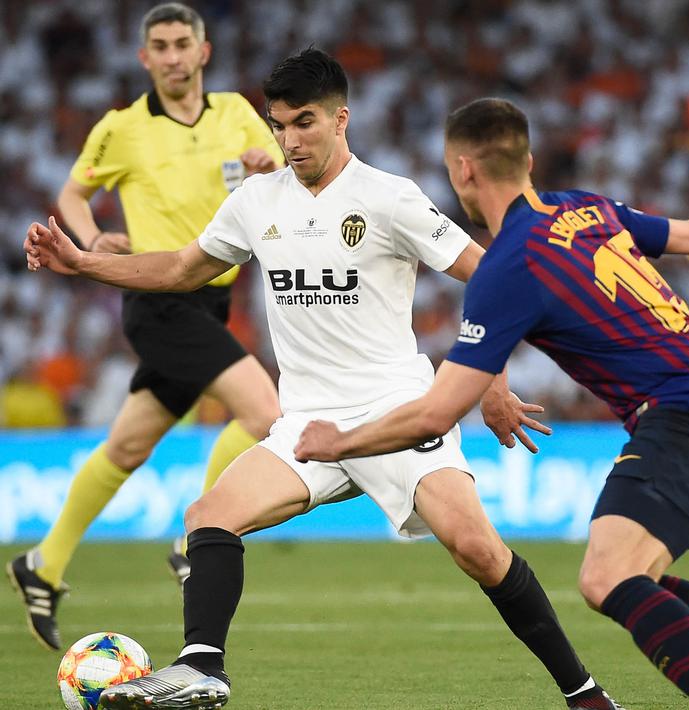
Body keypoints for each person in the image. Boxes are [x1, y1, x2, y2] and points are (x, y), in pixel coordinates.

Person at [25, 49, 619, 710]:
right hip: (307, 425)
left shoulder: (389, 198)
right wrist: (83, 262)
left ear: (341, 119)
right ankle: (202, 667)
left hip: (397, 413)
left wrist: (493, 382)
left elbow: (491, 274)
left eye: (303, 122)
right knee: (207, 518)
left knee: (478, 550)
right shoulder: (257, 200)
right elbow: (178, 270)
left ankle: (585, 694)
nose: (289, 140)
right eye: (278, 125)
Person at [293, 97, 689, 710]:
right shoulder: (586, 207)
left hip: (687, 418)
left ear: (463, 171)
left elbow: (434, 415)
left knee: (608, 578)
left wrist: (339, 442)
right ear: (528, 161)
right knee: (635, 577)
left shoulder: (506, 267)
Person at [6, 2, 283, 653]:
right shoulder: (122, 128)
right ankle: (196, 537)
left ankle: (43, 564)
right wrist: (91, 237)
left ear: (203, 51)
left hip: (212, 299)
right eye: (160, 45)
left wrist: (269, 170)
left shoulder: (237, 115)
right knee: (264, 412)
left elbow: (286, 174)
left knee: (128, 447)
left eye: (183, 43)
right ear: (144, 57)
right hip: (158, 300)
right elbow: (73, 194)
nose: (172, 56)